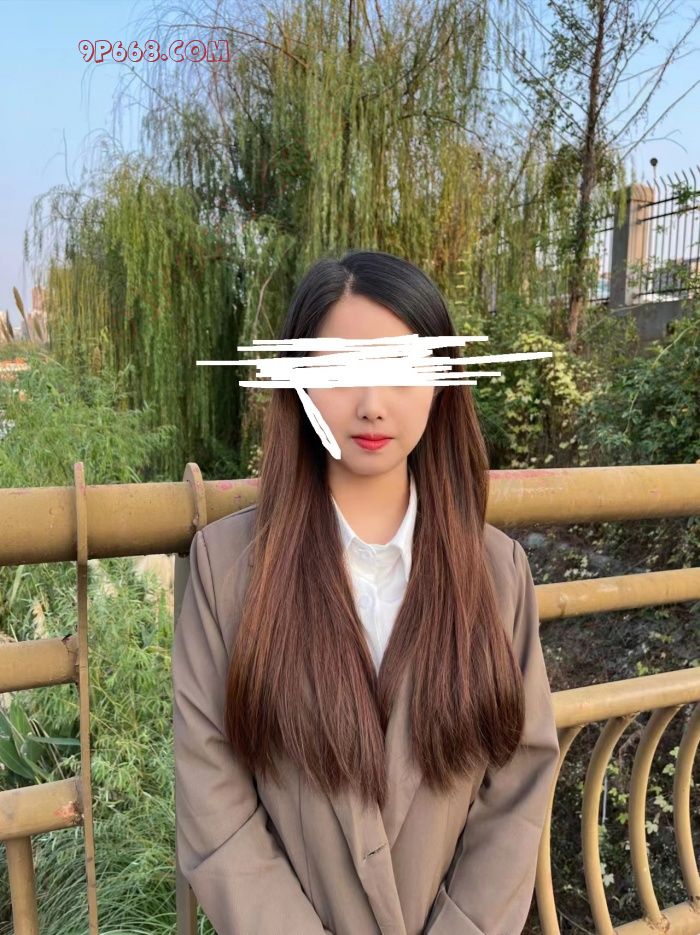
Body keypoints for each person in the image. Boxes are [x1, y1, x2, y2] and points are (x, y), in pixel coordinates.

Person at [171, 249, 560, 935]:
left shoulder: (497, 571)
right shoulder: (226, 568)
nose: (372, 404)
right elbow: (214, 799)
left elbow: (520, 781)